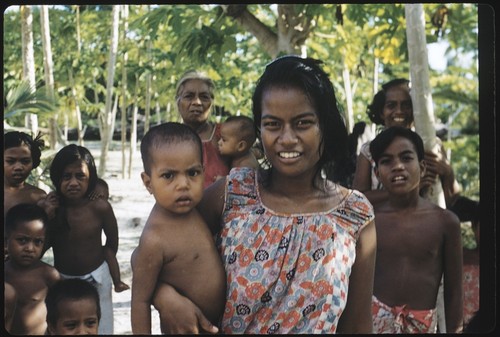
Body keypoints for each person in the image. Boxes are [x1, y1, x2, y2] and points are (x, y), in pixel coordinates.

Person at [151, 56, 377, 334]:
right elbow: (151, 251)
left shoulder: (354, 214)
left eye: (303, 123)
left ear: (325, 126)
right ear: (259, 130)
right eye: (272, 124)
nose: (287, 138)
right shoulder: (233, 193)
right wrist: (166, 299)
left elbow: (358, 325)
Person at [130, 122, 226, 334]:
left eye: (192, 173)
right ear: (148, 183)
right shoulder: (155, 238)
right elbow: (140, 302)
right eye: (168, 176)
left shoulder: (197, 210)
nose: (183, 184)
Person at [369, 126, 463, 333]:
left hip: (422, 325)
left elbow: (454, 291)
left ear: (422, 168)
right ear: (377, 173)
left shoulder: (445, 222)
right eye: (387, 161)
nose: (398, 166)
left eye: (406, 158)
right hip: (373, 322)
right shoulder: (370, 220)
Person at [46, 144, 119, 334]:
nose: (73, 183)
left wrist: (106, 261)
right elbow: (42, 244)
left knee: (101, 327)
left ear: (91, 178)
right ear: (56, 177)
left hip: (98, 278)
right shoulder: (53, 208)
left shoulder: (100, 207)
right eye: (66, 176)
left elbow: (112, 241)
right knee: (68, 327)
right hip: (63, 281)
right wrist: (46, 215)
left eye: (80, 176)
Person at [352, 78, 460, 207]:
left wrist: (448, 173)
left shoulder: (432, 145)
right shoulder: (368, 151)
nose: (399, 111)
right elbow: (357, 201)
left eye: (406, 105)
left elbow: (454, 202)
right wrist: (409, 188)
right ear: (381, 112)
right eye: (391, 105)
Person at [4, 203, 61, 335]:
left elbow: (62, 309)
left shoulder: (49, 274)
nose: (30, 248)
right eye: (22, 240)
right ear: (6, 240)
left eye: (37, 242)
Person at [175, 70, 230, 188]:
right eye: (189, 96)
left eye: (204, 97)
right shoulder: (168, 139)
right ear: (178, 102)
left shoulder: (226, 135)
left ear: (211, 102)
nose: (197, 102)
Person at [3, 131, 58, 220]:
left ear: (33, 162)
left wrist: (47, 213)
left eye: (25, 161)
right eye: (11, 161)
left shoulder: (38, 197)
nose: (18, 167)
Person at [89, 178, 130, 293]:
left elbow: (112, 237)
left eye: (105, 198)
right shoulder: (86, 209)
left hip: (99, 249)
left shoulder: (104, 210)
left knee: (108, 253)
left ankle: (117, 282)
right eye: (98, 197)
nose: (103, 202)